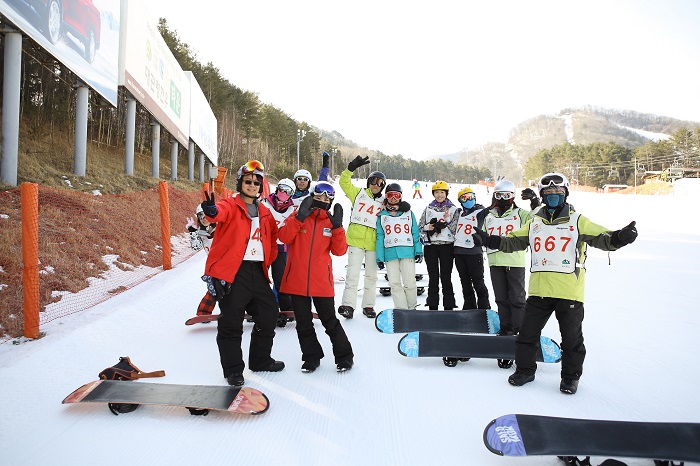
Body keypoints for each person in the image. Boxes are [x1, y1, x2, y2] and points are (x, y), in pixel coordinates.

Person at [475, 173, 638, 395]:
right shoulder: (534, 222)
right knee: (526, 336)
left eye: (557, 193)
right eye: (548, 193)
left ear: (565, 194)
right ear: (542, 195)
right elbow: (512, 241)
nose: (553, 196)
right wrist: (488, 240)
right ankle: (525, 370)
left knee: (571, 339)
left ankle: (570, 378)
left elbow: (603, 237)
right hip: (539, 290)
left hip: (568, 291)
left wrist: (620, 237)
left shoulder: (577, 220)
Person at [200, 160, 284, 387]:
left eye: (257, 182)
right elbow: (217, 214)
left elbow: (273, 240)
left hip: (257, 272)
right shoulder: (230, 205)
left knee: (268, 315)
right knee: (231, 322)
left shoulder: (265, 212)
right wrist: (211, 210)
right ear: (240, 183)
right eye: (248, 181)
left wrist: (269, 258)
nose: (253, 185)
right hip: (233, 273)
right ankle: (234, 370)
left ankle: (260, 359)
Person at [278, 182, 354, 373]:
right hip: (297, 279)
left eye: (327, 198)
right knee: (303, 323)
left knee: (330, 321)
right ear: (312, 197)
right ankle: (311, 357)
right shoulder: (298, 215)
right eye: (319, 197)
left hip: (321, 281)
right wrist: (299, 218)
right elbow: (284, 237)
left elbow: (339, 251)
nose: (323, 201)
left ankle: (344, 356)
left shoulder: (330, 222)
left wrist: (337, 228)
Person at [483, 180, 538, 340]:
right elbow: (484, 234)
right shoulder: (489, 215)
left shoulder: (520, 213)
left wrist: (535, 203)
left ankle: (520, 328)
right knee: (501, 298)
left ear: (512, 196)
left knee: (517, 298)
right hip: (495, 261)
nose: (502, 198)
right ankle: (506, 327)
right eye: (499, 195)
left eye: (507, 195)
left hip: (514, 261)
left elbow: (536, 220)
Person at [337, 155, 387, 319]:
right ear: (368, 182)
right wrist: (350, 168)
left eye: (379, 183)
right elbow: (344, 183)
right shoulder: (358, 194)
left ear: (383, 186)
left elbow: (397, 209)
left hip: (373, 243)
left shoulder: (384, 202)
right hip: (356, 241)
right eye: (373, 181)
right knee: (352, 274)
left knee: (371, 277)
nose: (375, 185)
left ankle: (368, 305)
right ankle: (348, 306)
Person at [375, 183, 422, 311]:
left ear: (401, 197)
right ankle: (401, 309)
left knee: (409, 283)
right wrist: (379, 257)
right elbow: (379, 237)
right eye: (390, 195)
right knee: (394, 284)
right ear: (386, 196)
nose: (393, 198)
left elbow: (415, 232)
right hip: (390, 254)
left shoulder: (408, 213)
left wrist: (418, 251)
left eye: (397, 195)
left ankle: (412, 308)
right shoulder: (382, 215)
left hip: (407, 252)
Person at [418, 181, 459, 310]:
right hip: (431, 247)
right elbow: (419, 227)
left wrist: (447, 221)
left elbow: (456, 230)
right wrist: (428, 227)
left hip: (447, 246)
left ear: (446, 193)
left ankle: (449, 305)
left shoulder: (453, 209)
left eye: (442, 192)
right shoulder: (429, 208)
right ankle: (432, 305)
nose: (439, 195)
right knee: (433, 277)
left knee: (446, 276)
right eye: (437, 192)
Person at [261, 178, 297, 325]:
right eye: (281, 189)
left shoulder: (292, 210)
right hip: (262, 248)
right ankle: (262, 309)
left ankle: (286, 309)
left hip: (281, 248)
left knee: (281, 280)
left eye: (287, 191)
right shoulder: (264, 203)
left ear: (291, 194)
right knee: (260, 280)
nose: (283, 193)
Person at [452, 186, 491, 311]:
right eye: (465, 198)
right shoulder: (459, 213)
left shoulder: (480, 211)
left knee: (478, 281)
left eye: (471, 197)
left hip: (473, 252)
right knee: (465, 282)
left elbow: (493, 211)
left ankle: (484, 307)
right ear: (460, 201)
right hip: (459, 251)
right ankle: (469, 306)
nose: (469, 200)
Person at [186, 205, 218, 317]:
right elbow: (195, 247)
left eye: (207, 216)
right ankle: (203, 313)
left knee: (237, 289)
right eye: (201, 217)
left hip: (227, 264)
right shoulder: (201, 233)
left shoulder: (220, 228)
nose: (204, 219)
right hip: (213, 267)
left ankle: (249, 310)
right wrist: (193, 233)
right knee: (213, 289)